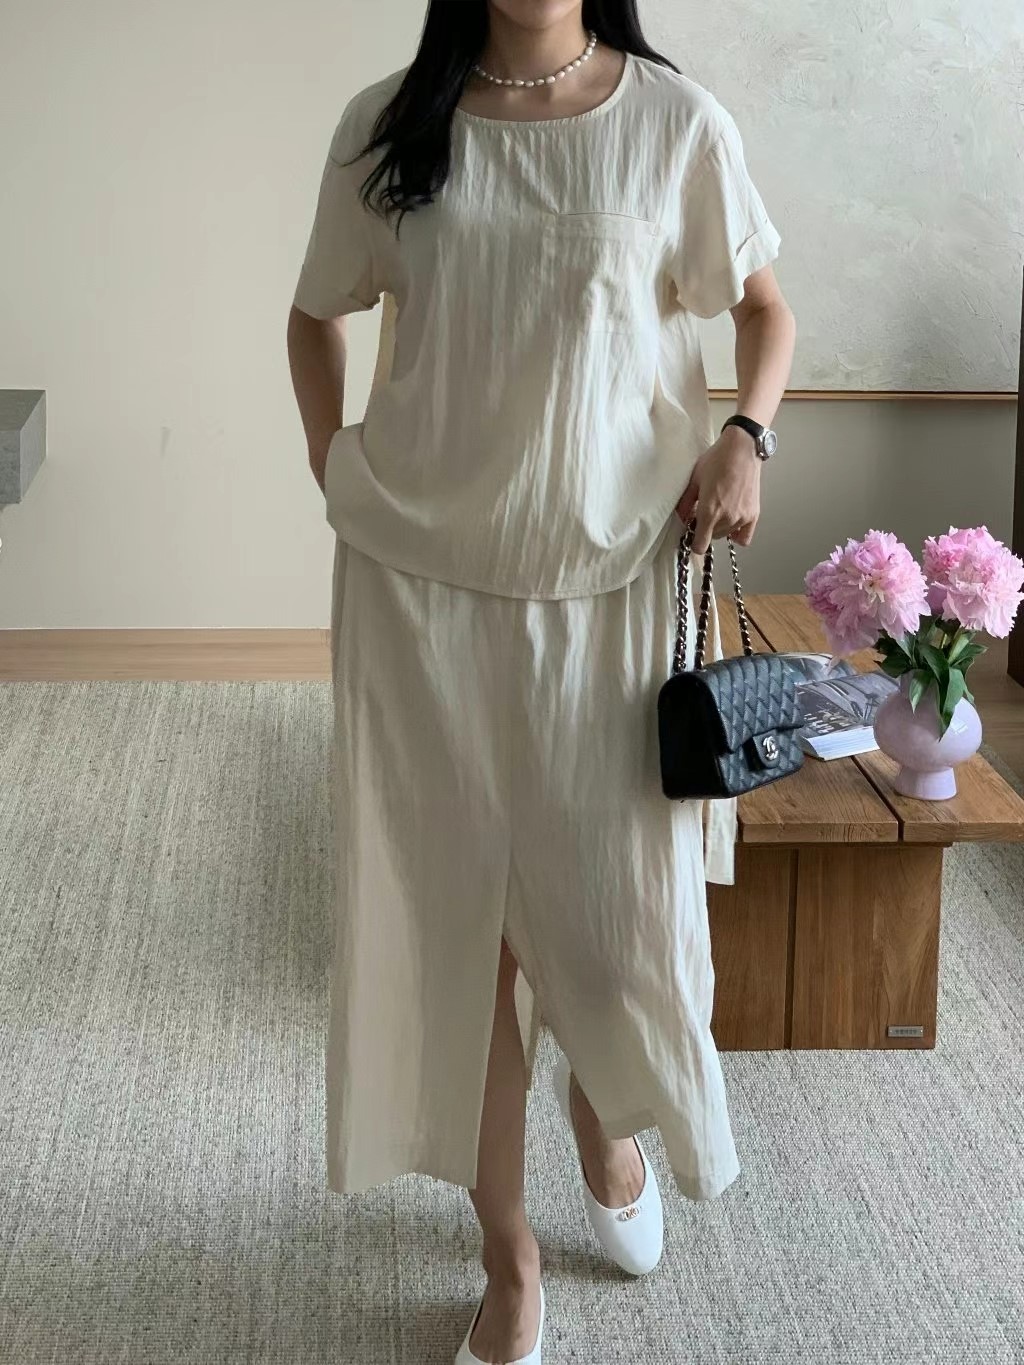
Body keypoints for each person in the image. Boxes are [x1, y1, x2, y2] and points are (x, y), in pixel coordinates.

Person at [286, 1, 796, 1360]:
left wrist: (745, 435)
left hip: (615, 581)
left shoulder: (675, 123)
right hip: (421, 588)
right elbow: (314, 314)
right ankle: (506, 1253)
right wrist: (335, 468)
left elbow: (765, 311)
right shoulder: (389, 125)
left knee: (618, 920)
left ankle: (607, 1122)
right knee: (461, 929)